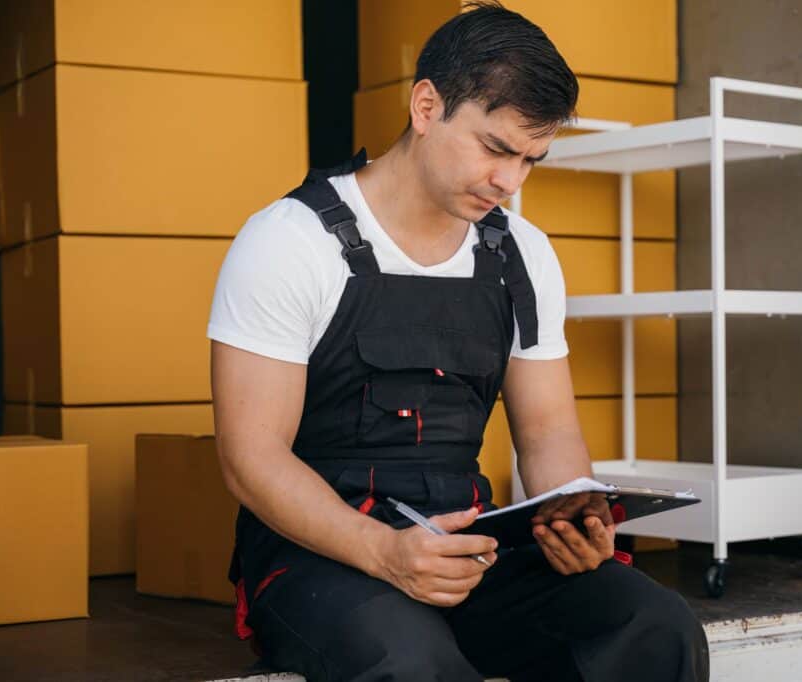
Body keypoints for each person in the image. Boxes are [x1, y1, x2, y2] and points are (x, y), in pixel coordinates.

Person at [207, 3, 709, 680]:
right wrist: (383, 551)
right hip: (324, 555)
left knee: (654, 624)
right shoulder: (290, 241)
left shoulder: (521, 255)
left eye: (532, 159)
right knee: (410, 662)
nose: (511, 182)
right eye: (496, 148)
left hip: (467, 547)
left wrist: (574, 521)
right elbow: (250, 458)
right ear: (425, 106)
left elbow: (549, 433)